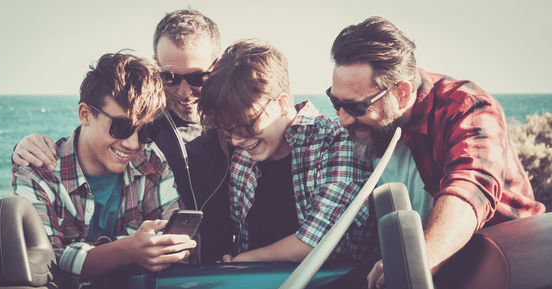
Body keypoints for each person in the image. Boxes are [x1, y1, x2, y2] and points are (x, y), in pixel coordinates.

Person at [326, 16, 546, 289]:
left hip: (501, 258)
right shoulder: (372, 128)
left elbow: (471, 187)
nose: (343, 119)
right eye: (335, 101)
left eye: (357, 107)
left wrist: (416, 263)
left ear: (403, 93)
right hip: (420, 260)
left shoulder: (467, 106)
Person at [10, 9, 233, 263]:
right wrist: (24, 149)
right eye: (169, 77)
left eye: (196, 77)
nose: (183, 91)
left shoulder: (238, 126)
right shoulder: (142, 116)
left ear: (217, 66)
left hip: (222, 268)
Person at [11, 52, 196, 287]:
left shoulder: (149, 161)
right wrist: (128, 250)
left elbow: (175, 236)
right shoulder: (37, 171)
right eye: (121, 127)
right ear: (85, 114)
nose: (132, 143)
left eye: (146, 131)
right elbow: (45, 266)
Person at [198, 39, 378, 263]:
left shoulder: (336, 141)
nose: (236, 139)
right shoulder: (242, 159)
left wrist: (242, 262)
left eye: (247, 125)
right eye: (226, 129)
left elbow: (321, 242)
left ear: (282, 102)